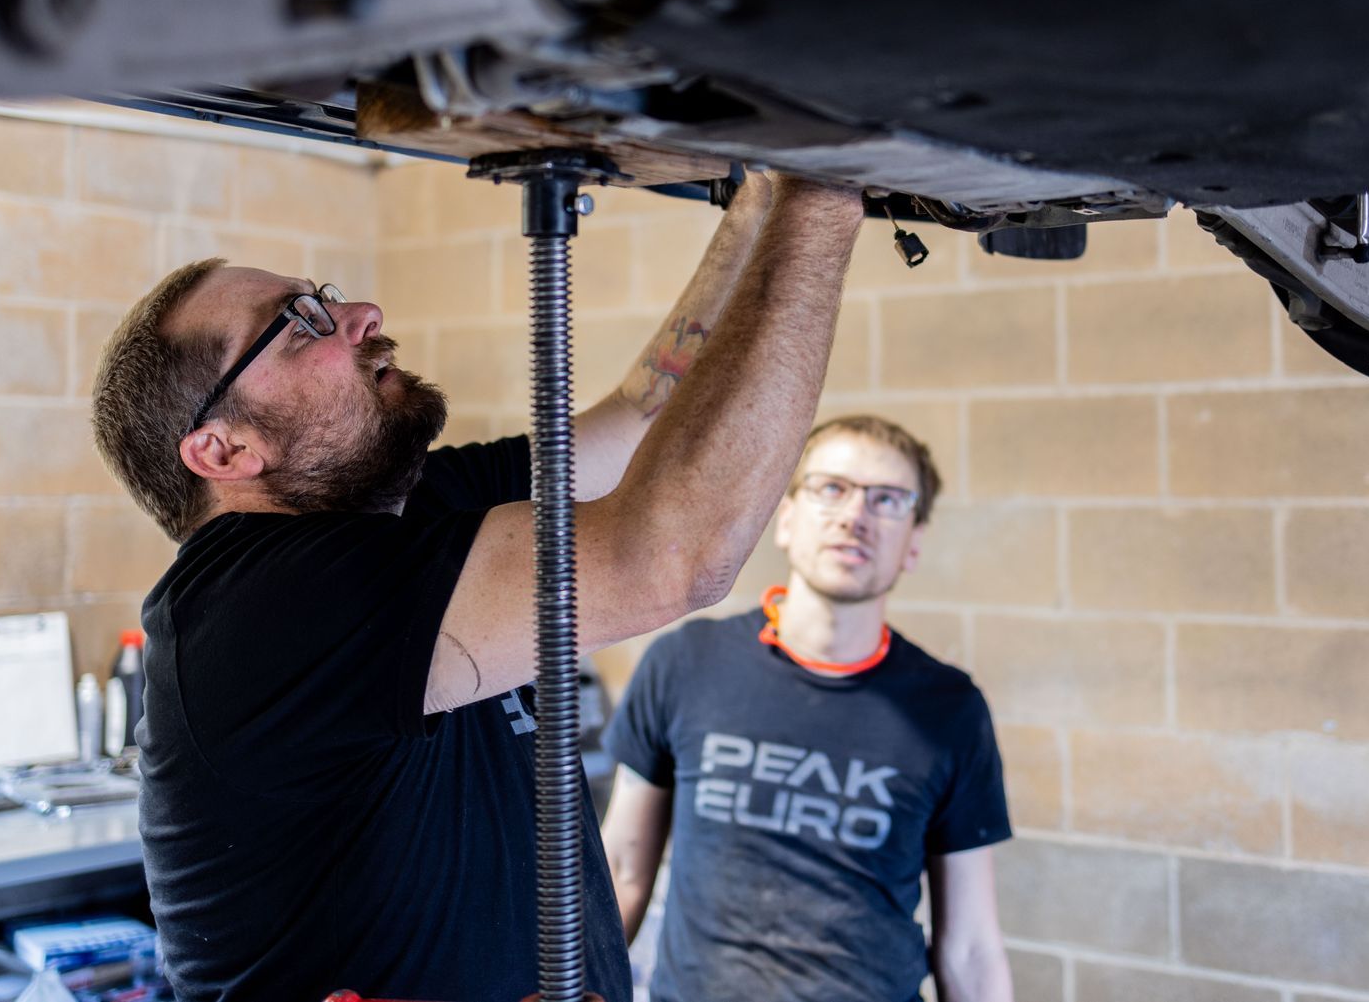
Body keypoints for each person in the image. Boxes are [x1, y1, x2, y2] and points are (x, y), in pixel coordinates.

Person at [87, 171, 864, 1002]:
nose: (361, 316)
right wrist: (827, 188)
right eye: (298, 323)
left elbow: (644, 415)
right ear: (224, 451)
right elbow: (675, 556)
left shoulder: (408, 507)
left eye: (327, 297)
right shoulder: (252, 609)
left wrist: (764, 191)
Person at [599, 415, 1015, 1002]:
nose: (855, 516)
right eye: (831, 488)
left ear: (914, 542)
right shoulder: (686, 663)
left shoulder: (950, 709)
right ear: (786, 520)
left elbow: (970, 946)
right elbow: (620, 873)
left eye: (888, 500)